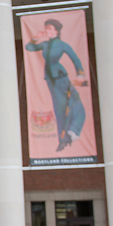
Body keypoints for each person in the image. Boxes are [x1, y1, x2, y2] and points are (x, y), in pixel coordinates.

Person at [26, 19, 86, 152]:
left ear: (56, 31)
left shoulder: (62, 44)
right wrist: (36, 37)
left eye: (49, 28)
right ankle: (63, 139)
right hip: (50, 80)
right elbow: (29, 47)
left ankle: (73, 130)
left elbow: (75, 58)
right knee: (59, 109)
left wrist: (80, 74)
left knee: (76, 103)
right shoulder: (45, 44)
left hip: (61, 78)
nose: (46, 30)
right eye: (46, 28)